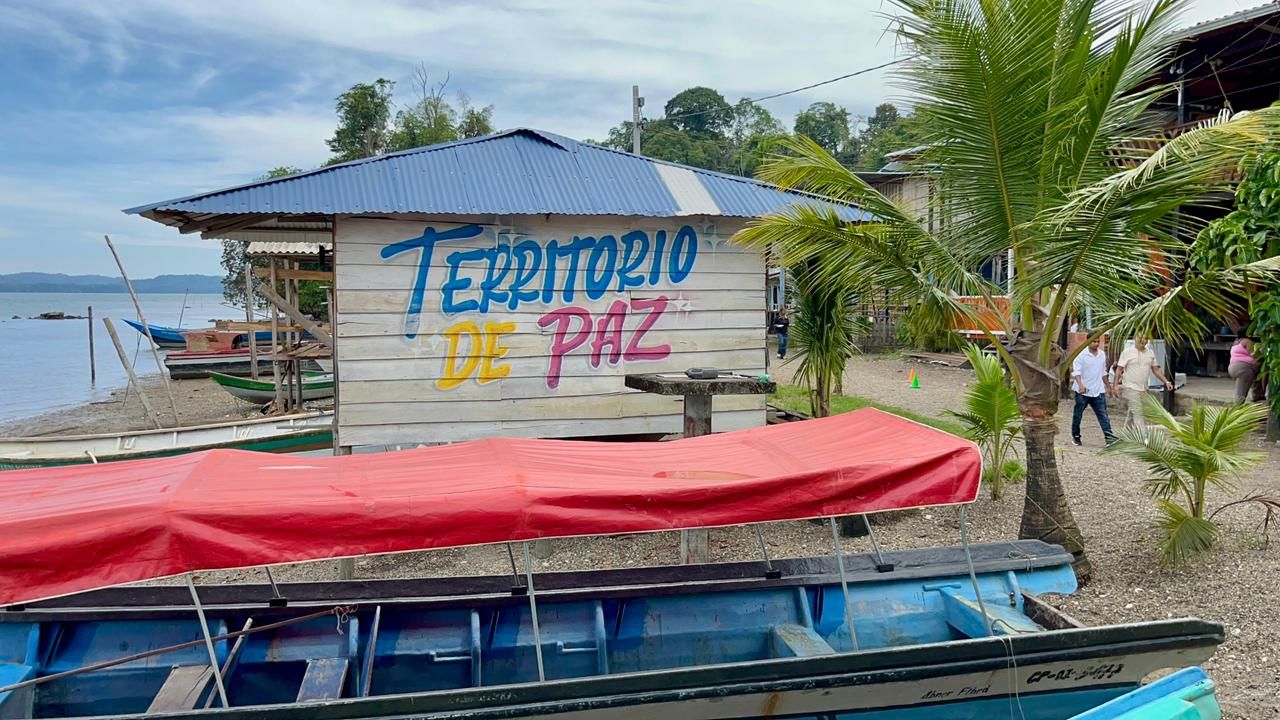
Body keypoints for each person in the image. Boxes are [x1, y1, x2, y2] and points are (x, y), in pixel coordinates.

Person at [1113, 335, 1173, 428]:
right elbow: (1119, 369)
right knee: (1138, 413)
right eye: (1140, 338)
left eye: (1145, 338)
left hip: (1143, 388)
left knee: (1133, 413)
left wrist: (1166, 381)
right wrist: (1115, 385)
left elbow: (1156, 369)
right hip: (1130, 387)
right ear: (1134, 338)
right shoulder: (1127, 352)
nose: (1142, 340)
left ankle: (1124, 436)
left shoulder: (1150, 353)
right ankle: (1144, 439)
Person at [1071, 337, 1116, 446]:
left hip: (1098, 390)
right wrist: (1081, 384)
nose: (1096, 344)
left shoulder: (1102, 355)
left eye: (1098, 341)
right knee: (1078, 415)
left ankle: (1109, 438)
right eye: (1094, 341)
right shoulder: (1081, 355)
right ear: (1088, 341)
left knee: (1103, 415)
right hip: (1083, 391)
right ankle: (1076, 436)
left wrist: (1108, 387)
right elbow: (1076, 372)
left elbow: (1103, 372)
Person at [1227, 334, 1265, 403]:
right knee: (1242, 389)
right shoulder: (1247, 341)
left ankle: (1257, 396)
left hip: (1232, 367)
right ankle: (1239, 405)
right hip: (1244, 368)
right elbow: (1254, 354)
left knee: (1243, 383)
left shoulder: (1235, 342)